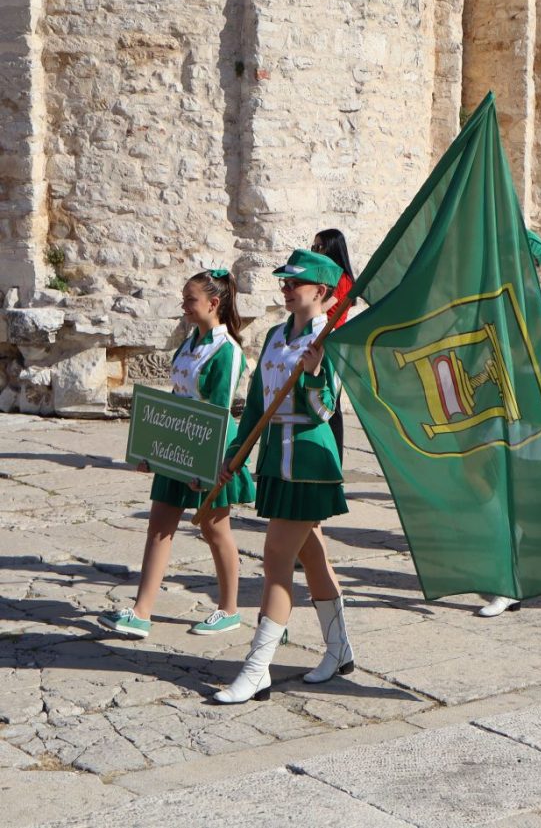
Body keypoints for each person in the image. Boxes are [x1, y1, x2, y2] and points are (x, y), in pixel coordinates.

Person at [212, 249, 353, 704]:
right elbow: (257, 403)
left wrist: (314, 375)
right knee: (310, 557)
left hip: (309, 461)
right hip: (275, 459)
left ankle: (257, 670)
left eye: (296, 283)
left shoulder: (330, 338)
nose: (287, 288)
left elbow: (325, 410)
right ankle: (339, 649)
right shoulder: (275, 335)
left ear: (323, 292)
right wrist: (236, 452)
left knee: (275, 561)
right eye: (285, 282)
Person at [99, 269, 255, 639]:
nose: (184, 306)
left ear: (213, 304)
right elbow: (175, 398)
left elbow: (217, 410)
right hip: (179, 443)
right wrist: (149, 448)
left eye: (190, 300)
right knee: (159, 526)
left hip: (210, 448)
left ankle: (230, 608)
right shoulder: (189, 343)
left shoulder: (227, 350)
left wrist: (209, 463)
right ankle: (141, 612)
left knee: (215, 529)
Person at [476, 229, 541, 620]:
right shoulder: (499, 294)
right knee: (489, 485)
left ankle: (509, 582)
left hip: (521, 402)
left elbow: (535, 355)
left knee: (510, 490)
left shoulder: (536, 301)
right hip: (494, 398)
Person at [310, 229, 355, 462]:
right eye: (314, 247)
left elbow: (326, 306)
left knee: (332, 403)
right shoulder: (329, 275)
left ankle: (335, 457)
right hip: (322, 337)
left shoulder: (342, 279)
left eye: (319, 247)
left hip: (332, 340)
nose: (316, 251)